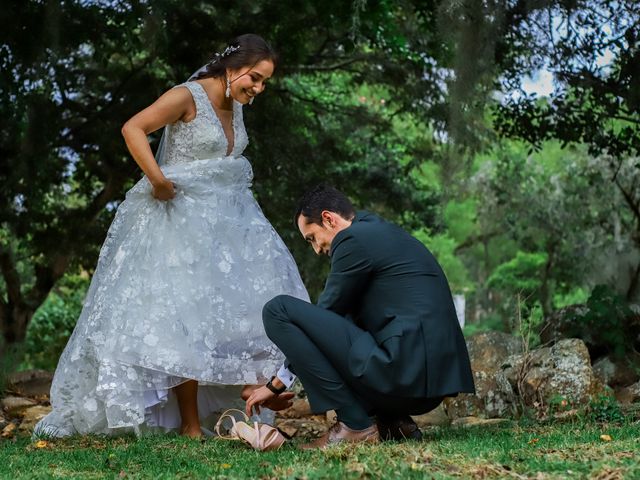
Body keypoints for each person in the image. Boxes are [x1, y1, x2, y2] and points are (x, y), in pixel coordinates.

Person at [35, 34, 307, 439]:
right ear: (232, 69)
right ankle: (189, 425)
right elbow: (133, 128)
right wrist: (158, 181)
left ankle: (246, 409)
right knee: (182, 317)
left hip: (225, 227)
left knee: (238, 312)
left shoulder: (237, 103)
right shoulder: (186, 96)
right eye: (255, 78)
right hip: (177, 222)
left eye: (265, 82)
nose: (259, 88)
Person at [245, 184, 475, 448]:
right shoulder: (376, 231)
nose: (317, 249)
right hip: (427, 377)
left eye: (311, 237)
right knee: (349, 317)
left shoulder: (352, 239)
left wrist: (275, 384)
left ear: (329, 219)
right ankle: (392, 421)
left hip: (405, 370)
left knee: (278, 310)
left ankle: (355, 425)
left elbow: (323, 316)